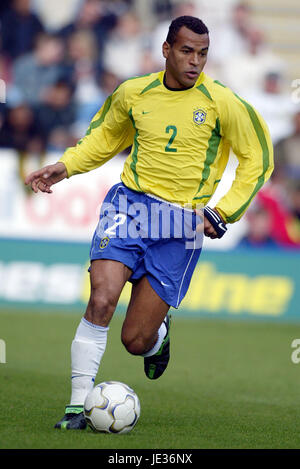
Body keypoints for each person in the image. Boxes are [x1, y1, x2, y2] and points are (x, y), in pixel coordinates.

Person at [25, 15, 274, 430]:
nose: (195, 62)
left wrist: (223, 210)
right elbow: (105, 137)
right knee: (101, 298)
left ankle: (157, 337)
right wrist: (65, 166)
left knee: (135, 340)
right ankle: (76, 406)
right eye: (187, 51)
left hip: (182, 223)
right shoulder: (134, 92)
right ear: (166, 49)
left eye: (203, 54)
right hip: (130, 207)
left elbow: (259, 160)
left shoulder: (223, 102)